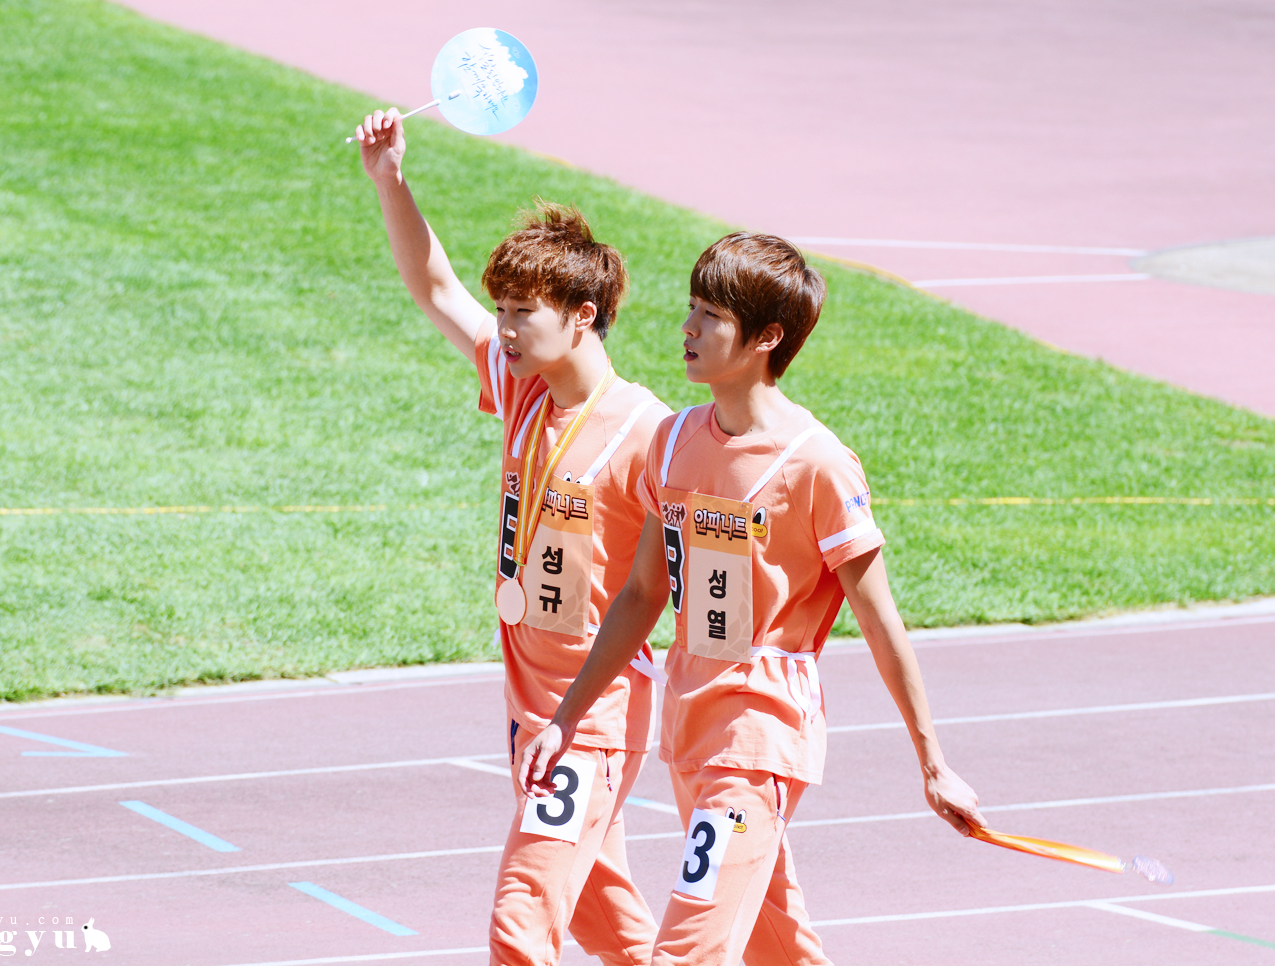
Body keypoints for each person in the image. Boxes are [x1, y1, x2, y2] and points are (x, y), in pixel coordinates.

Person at [517, 232, 985, 966]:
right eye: (691, 308)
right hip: (690, 728)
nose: (687, 328)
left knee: (687, 948)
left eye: (710, 316)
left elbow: (879, 621)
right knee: (778, 945)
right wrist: (566, 718)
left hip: (759, 738)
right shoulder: (673, 441)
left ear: (766, 338)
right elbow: (642, 594)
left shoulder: (818, 465)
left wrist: (933, 763)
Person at [354, 107, 670, 966]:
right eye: (502, 308)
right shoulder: (524, 387)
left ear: (583, 315)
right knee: (605, 915)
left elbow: (670, 584)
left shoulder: (649, 433)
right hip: (528, 700)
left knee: (522, 916)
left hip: (592, 710)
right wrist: (390, 179)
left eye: (523, 310)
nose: (503, 326)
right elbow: (435, 289)